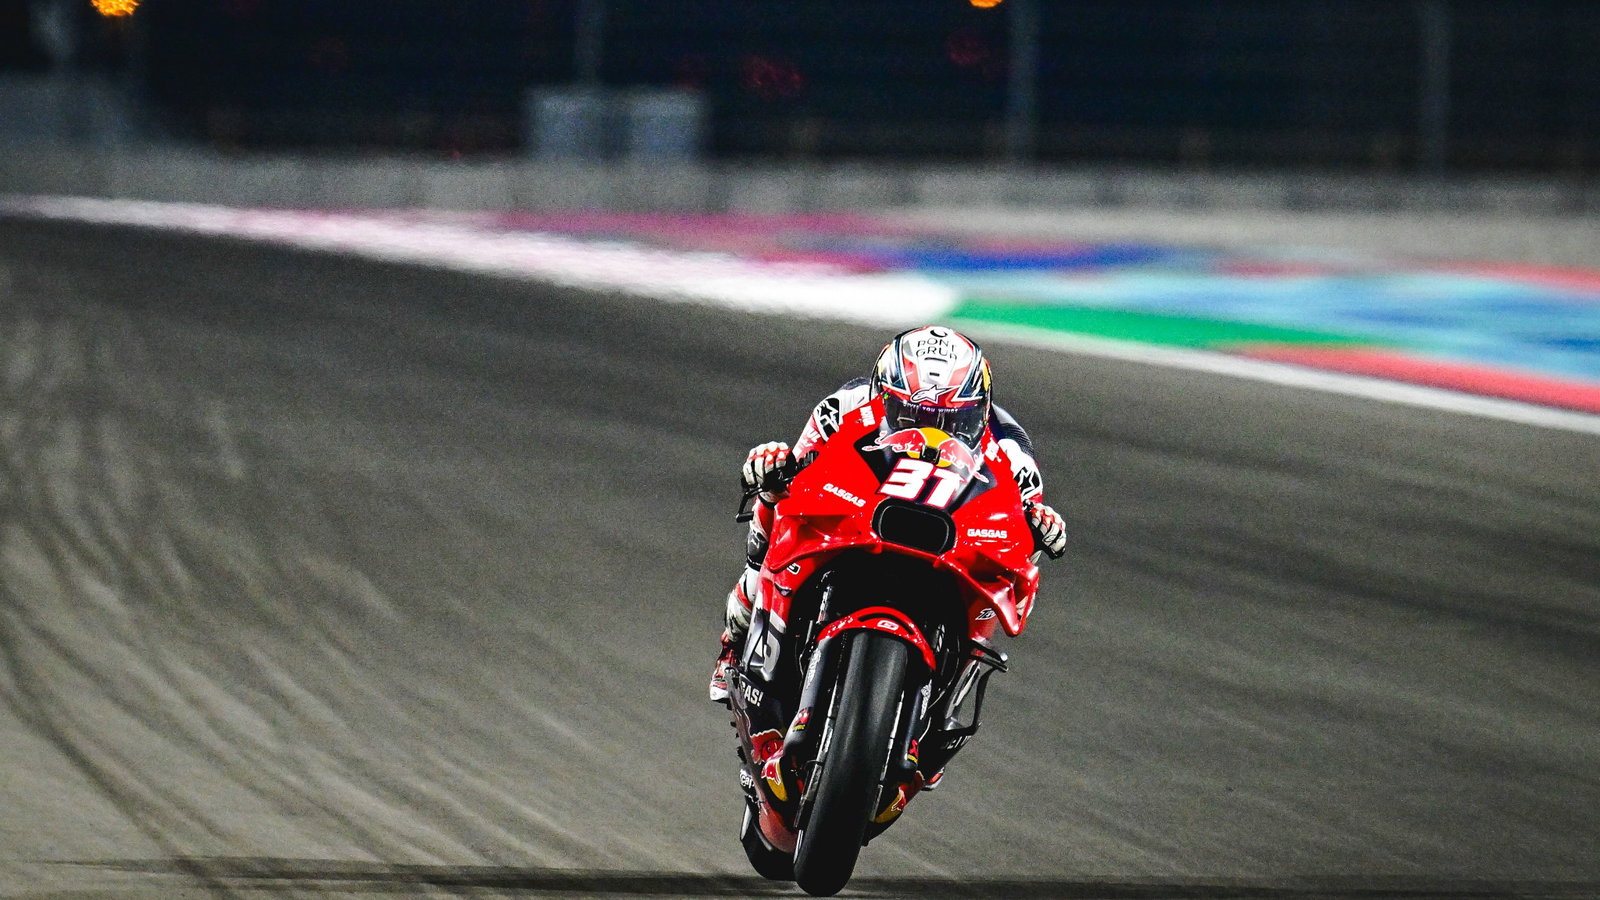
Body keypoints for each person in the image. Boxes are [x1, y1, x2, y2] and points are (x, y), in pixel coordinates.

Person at [710, 325, 1066, 703]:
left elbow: (1019, 533)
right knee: (775, 497)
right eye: (910, 415)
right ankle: (736, 639)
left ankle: (944, 709)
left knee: (992, 589)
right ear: (882, 396)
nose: (930, 430)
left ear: (977, 410)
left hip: (952, 536)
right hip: (865, 510)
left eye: (950, 423)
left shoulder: (1012, 449)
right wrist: (773, 467)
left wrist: (1043, 528)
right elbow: (798, 469)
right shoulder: (844, 405)